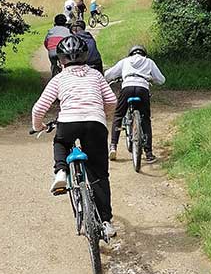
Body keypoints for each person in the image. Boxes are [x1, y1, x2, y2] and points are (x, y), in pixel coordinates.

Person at [31, 35, 118, 238]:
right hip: (95, 124)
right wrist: (101, 113)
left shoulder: (59, 79)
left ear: (60, 60)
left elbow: (39, 108)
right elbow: (112, 100)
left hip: (68, 122)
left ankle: (60, 172)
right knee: (99, 174)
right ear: (86, 56)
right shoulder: (96, 75)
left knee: (61, 142)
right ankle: (105, 221)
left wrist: (38, 127)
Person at [104, 45, 165, 163]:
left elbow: (108, 75)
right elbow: (161, 79)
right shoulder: (149, 62)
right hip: (142, 89)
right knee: (145, 119)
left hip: (127, 87)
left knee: (118, 115)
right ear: (144, 54)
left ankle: (113, 146)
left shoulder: (125, 61)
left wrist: (118, 77)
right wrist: (151, 79)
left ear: (130, 54)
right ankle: (149, 153)